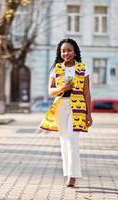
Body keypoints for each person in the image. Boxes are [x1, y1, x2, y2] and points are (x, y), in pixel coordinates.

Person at [40, 38, 93, 187]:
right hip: (61, 105)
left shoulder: (83, 68)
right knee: (64, 140)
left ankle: (73, 176)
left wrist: (89, 114)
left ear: (75, 52)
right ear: (60, 52)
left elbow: (87, 93)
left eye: (69, 50)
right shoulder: (55, 69)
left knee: (72, 138)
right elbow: (50, 91)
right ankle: (68, 172)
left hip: (78, 106)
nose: (66, 53)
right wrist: (62, 88)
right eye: (63, 51)